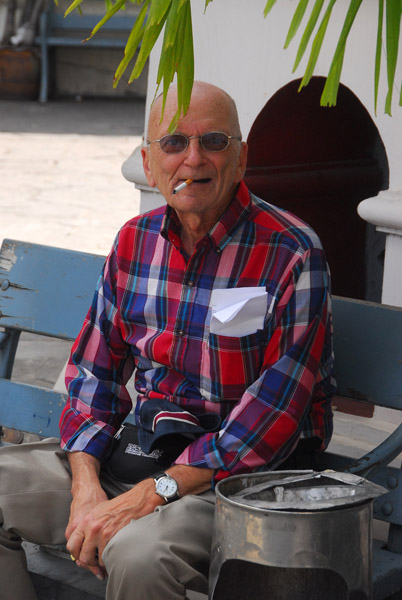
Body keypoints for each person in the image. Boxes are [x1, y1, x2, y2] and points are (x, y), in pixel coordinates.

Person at [0, 81, 335, 600]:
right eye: (174, 143)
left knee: (138, 555)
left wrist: (149, 496)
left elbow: (271, 420)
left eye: (215, 142)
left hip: (233, 487)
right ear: (149, 162)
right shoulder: (134, 241)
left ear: (242, 158)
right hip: (134, 461)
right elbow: (94, 378)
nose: (193, 158)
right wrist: (87, 487)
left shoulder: (291, 252)